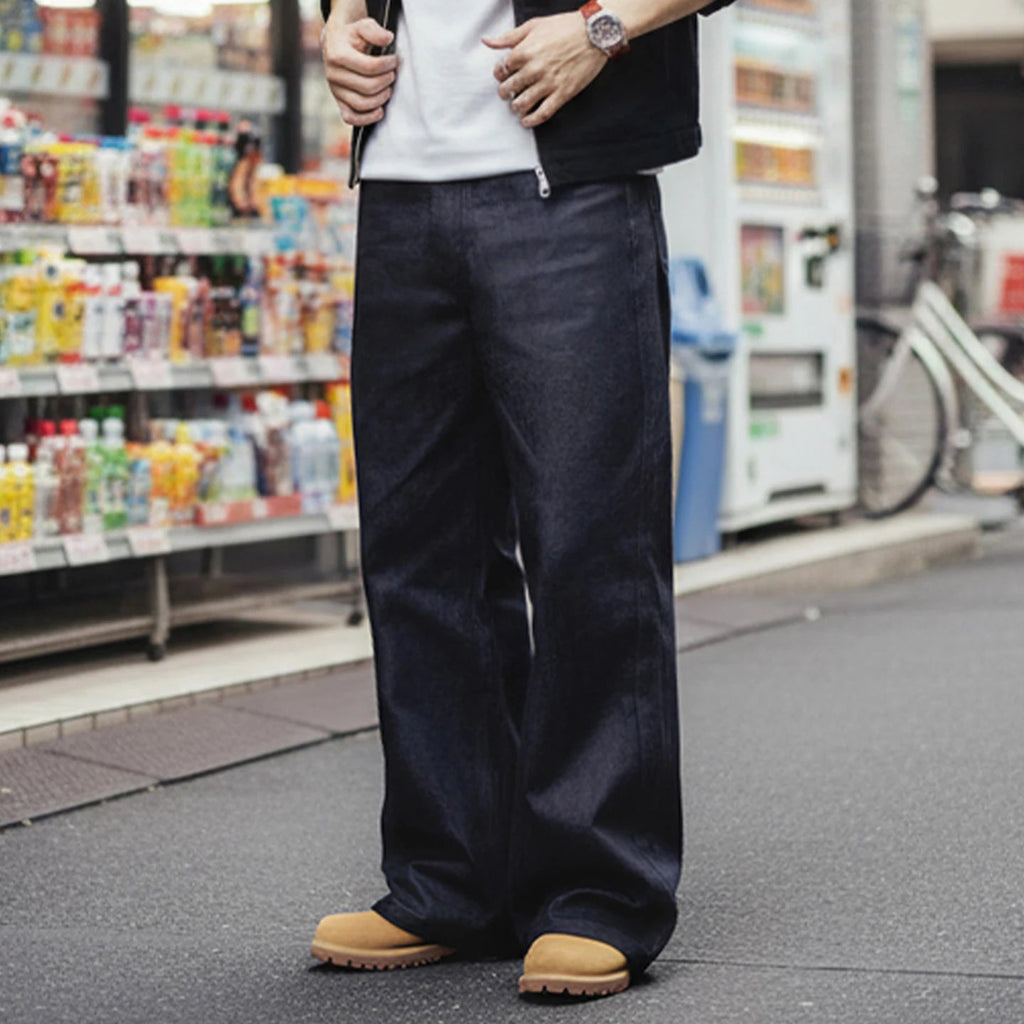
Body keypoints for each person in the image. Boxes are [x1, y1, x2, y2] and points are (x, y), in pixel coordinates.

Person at [313, 0, 735, 999]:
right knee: (420, 556)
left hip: (567, 186)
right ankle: (449, 880)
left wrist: (605, 28)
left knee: (588, 543)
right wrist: (335, 21)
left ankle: (599, 892)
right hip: (402, 193)